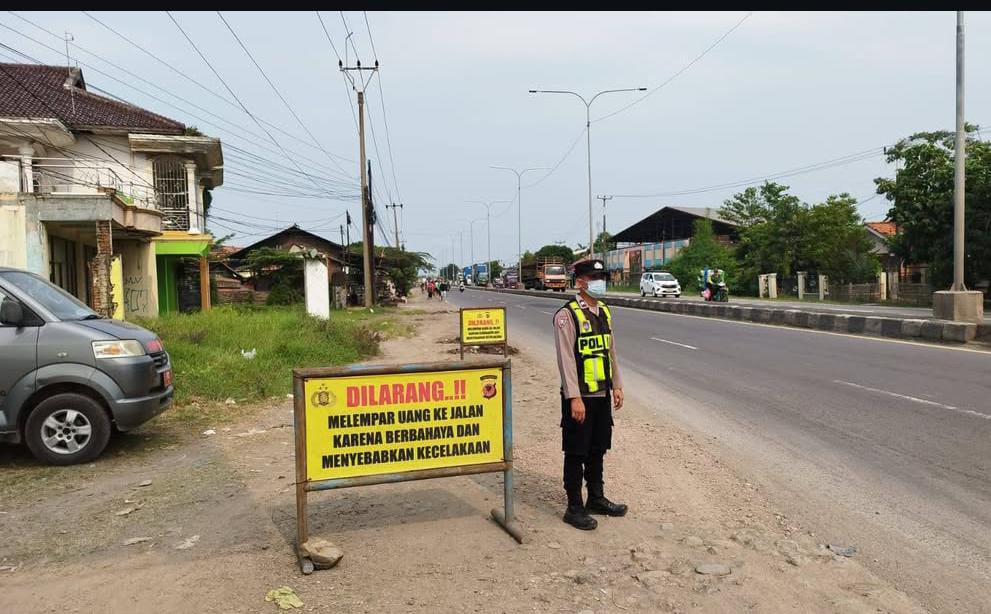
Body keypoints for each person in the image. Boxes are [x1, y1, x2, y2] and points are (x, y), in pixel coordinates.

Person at [552, 259, 627, 531]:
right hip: (580, 397)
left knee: (598, 448)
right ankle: (574, 507)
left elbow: (610, 351)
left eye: (602, 276)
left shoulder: (604, 311)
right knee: (576, 451)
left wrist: (617, 384)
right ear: (581, 281)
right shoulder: (567, 315)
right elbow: (566, 360)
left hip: (601, 394)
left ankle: (596, 498)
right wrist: (574, 397)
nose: (600, 281)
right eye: (595, 276)